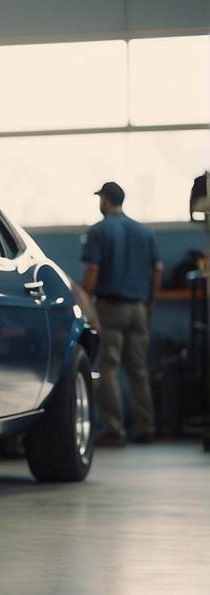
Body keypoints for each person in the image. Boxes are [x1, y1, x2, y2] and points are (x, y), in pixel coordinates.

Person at [81, 181, 163, 447]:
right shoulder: (144, 232)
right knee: (138, 369)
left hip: (111, 307)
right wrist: (149, 302)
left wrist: (85, 300)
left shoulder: (100, 230)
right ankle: (145, 427)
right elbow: (157, 269)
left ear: (105, 200)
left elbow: (93, 269)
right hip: (139, 308)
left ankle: (114, 430)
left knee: (108, 367)